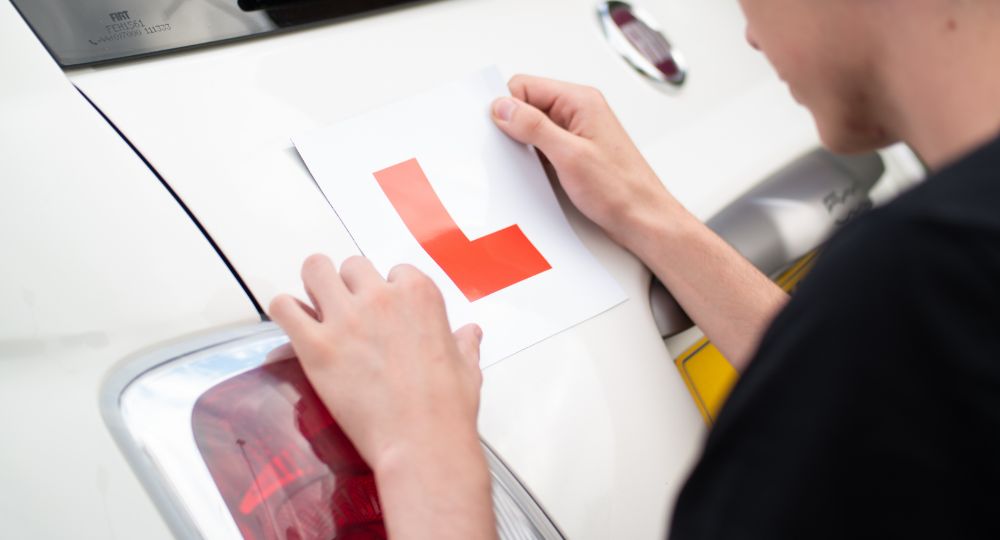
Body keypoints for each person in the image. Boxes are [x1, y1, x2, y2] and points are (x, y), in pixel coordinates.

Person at [269, 0, 1000, 538]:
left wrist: (419, 453)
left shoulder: (917, 277)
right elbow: (897, 402)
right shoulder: (938, 279)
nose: (741, 26)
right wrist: (652, 217)